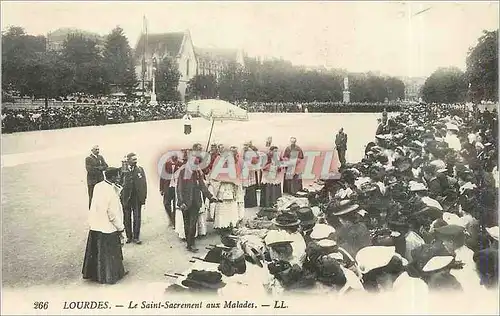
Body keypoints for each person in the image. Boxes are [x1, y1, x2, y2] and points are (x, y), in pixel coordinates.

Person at [82, 167, 127, 284]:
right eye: (117, 175)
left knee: (96, 253)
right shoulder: (110, 192)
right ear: (111, 177)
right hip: (108, 227)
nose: (119, 177)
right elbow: (112, 214)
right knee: (109, 255)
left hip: (96, 225)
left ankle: (94, 275)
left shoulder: (98, 186)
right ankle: (110, 276)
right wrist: (121, 227)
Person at [177, 144, 221, 253]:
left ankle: (191, 244)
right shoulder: (184, 171)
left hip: (196, 202)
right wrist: (181, 202)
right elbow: (179, 188)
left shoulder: (197, 173)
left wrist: (211, 197)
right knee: (187, 225)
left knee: (192, 224)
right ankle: (189, 243)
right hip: (186, 203)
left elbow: (203, 187)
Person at [121, 153, 147, 245]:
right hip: (126, 198)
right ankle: (129, 236)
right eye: (133, 160)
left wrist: (143, 198)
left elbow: (144, 184)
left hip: (136, 198)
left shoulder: (140, 169)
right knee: (126, 218)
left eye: (136, 159)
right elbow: (118, 183)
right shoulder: (123, 170)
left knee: (137, 217)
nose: (135, 161)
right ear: (128, 160)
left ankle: (136, 237)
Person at [160, 153, 183, 228]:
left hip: (177, 187)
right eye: (173, 157)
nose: (174, 158)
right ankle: (171, 218)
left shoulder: (181, 164)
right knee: (166, 203)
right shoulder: (166, 164)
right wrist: (161, 188)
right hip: (168, 187)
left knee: (175, 205)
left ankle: (174, 221)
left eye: (176, 157)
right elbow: (162, 177)